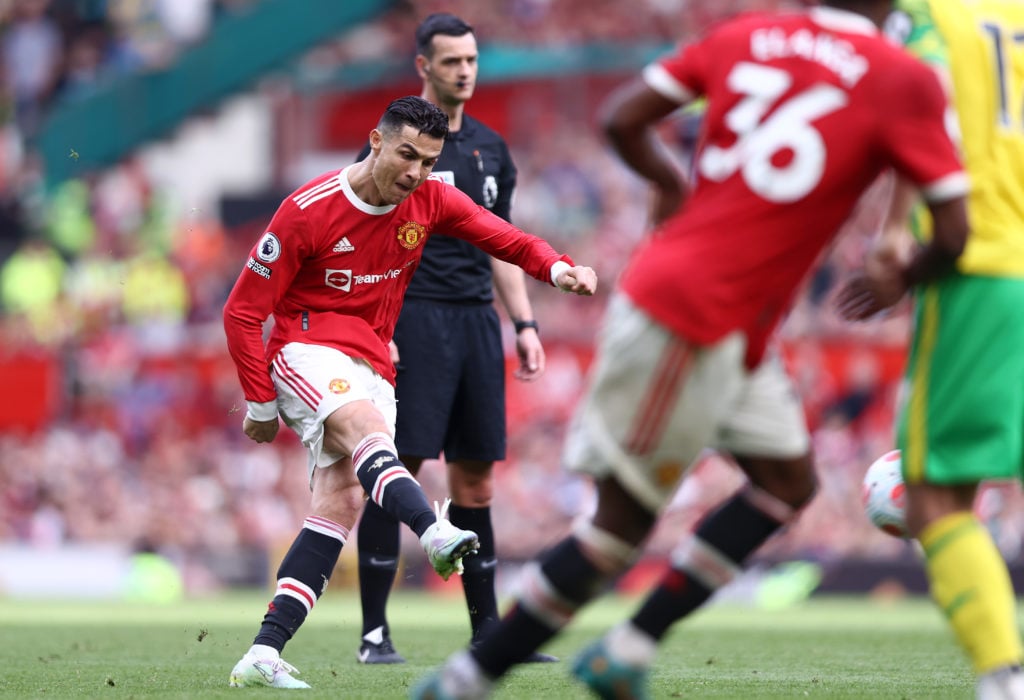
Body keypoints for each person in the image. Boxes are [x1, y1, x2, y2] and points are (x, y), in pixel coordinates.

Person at [412, 1, 970, 698]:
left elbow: (622, 117)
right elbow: (954, 230)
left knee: (788, 483)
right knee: (620, 527)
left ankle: (630, 645)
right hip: (693, 316)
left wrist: (673, 184)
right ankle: (467, 678)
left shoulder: (745, 35)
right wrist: (902, 274)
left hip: (726, 319)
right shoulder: (902, 76)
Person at [222, 95, 597, 690]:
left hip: (374, 358)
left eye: (427, 160)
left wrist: (557, 268)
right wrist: (261, 403)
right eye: (405, 155)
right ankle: (435, 531)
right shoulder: (306, 210)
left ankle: (264, 651)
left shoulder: (430, 199)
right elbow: (242, 312)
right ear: (374, 140)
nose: (415, 173)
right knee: (370, 432)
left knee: (340, 505)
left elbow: (503, 237)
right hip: (306, 348)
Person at [353, 13, 555, 666]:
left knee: (476, 483)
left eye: (471, 60)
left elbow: (500, 243)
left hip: (476, 323)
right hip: (413, 317)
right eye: (450, 62)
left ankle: (487, 634)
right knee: (400, 469)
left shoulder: (492, 150)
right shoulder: (389, 149)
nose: (464, 71)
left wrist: (522, 324)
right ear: (424, 67)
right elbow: (358, 240)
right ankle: (374, 633)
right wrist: (374, 330)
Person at [838, 0, 1024, 697]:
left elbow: (923, 101)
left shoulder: (933, 17)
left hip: (986, 267)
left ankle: (1004, 680)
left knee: (936, 497)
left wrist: (894, 236)